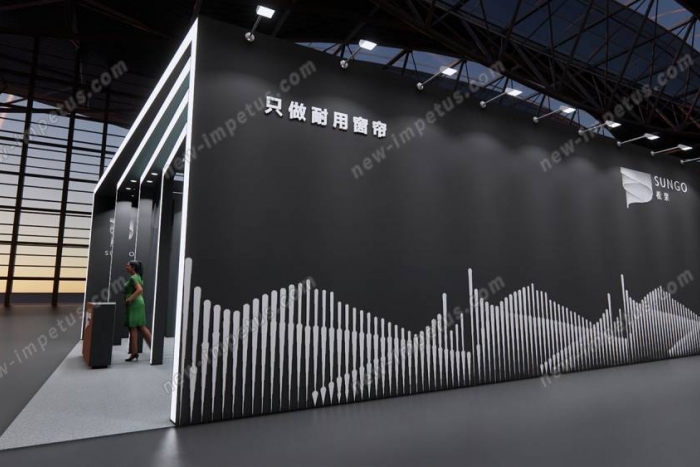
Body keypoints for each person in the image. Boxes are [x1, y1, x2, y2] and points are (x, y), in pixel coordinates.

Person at [124, 260, 152, 362]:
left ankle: (135, 352)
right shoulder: (138, 276)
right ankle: (134, 352)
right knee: (137, 327)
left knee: (136, 327)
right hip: (138, 302)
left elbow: (139, 289)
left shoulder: (133, 278)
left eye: (128, 265)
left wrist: (129, 299)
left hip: (134, 303)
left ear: (133, 268)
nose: (126, 267)